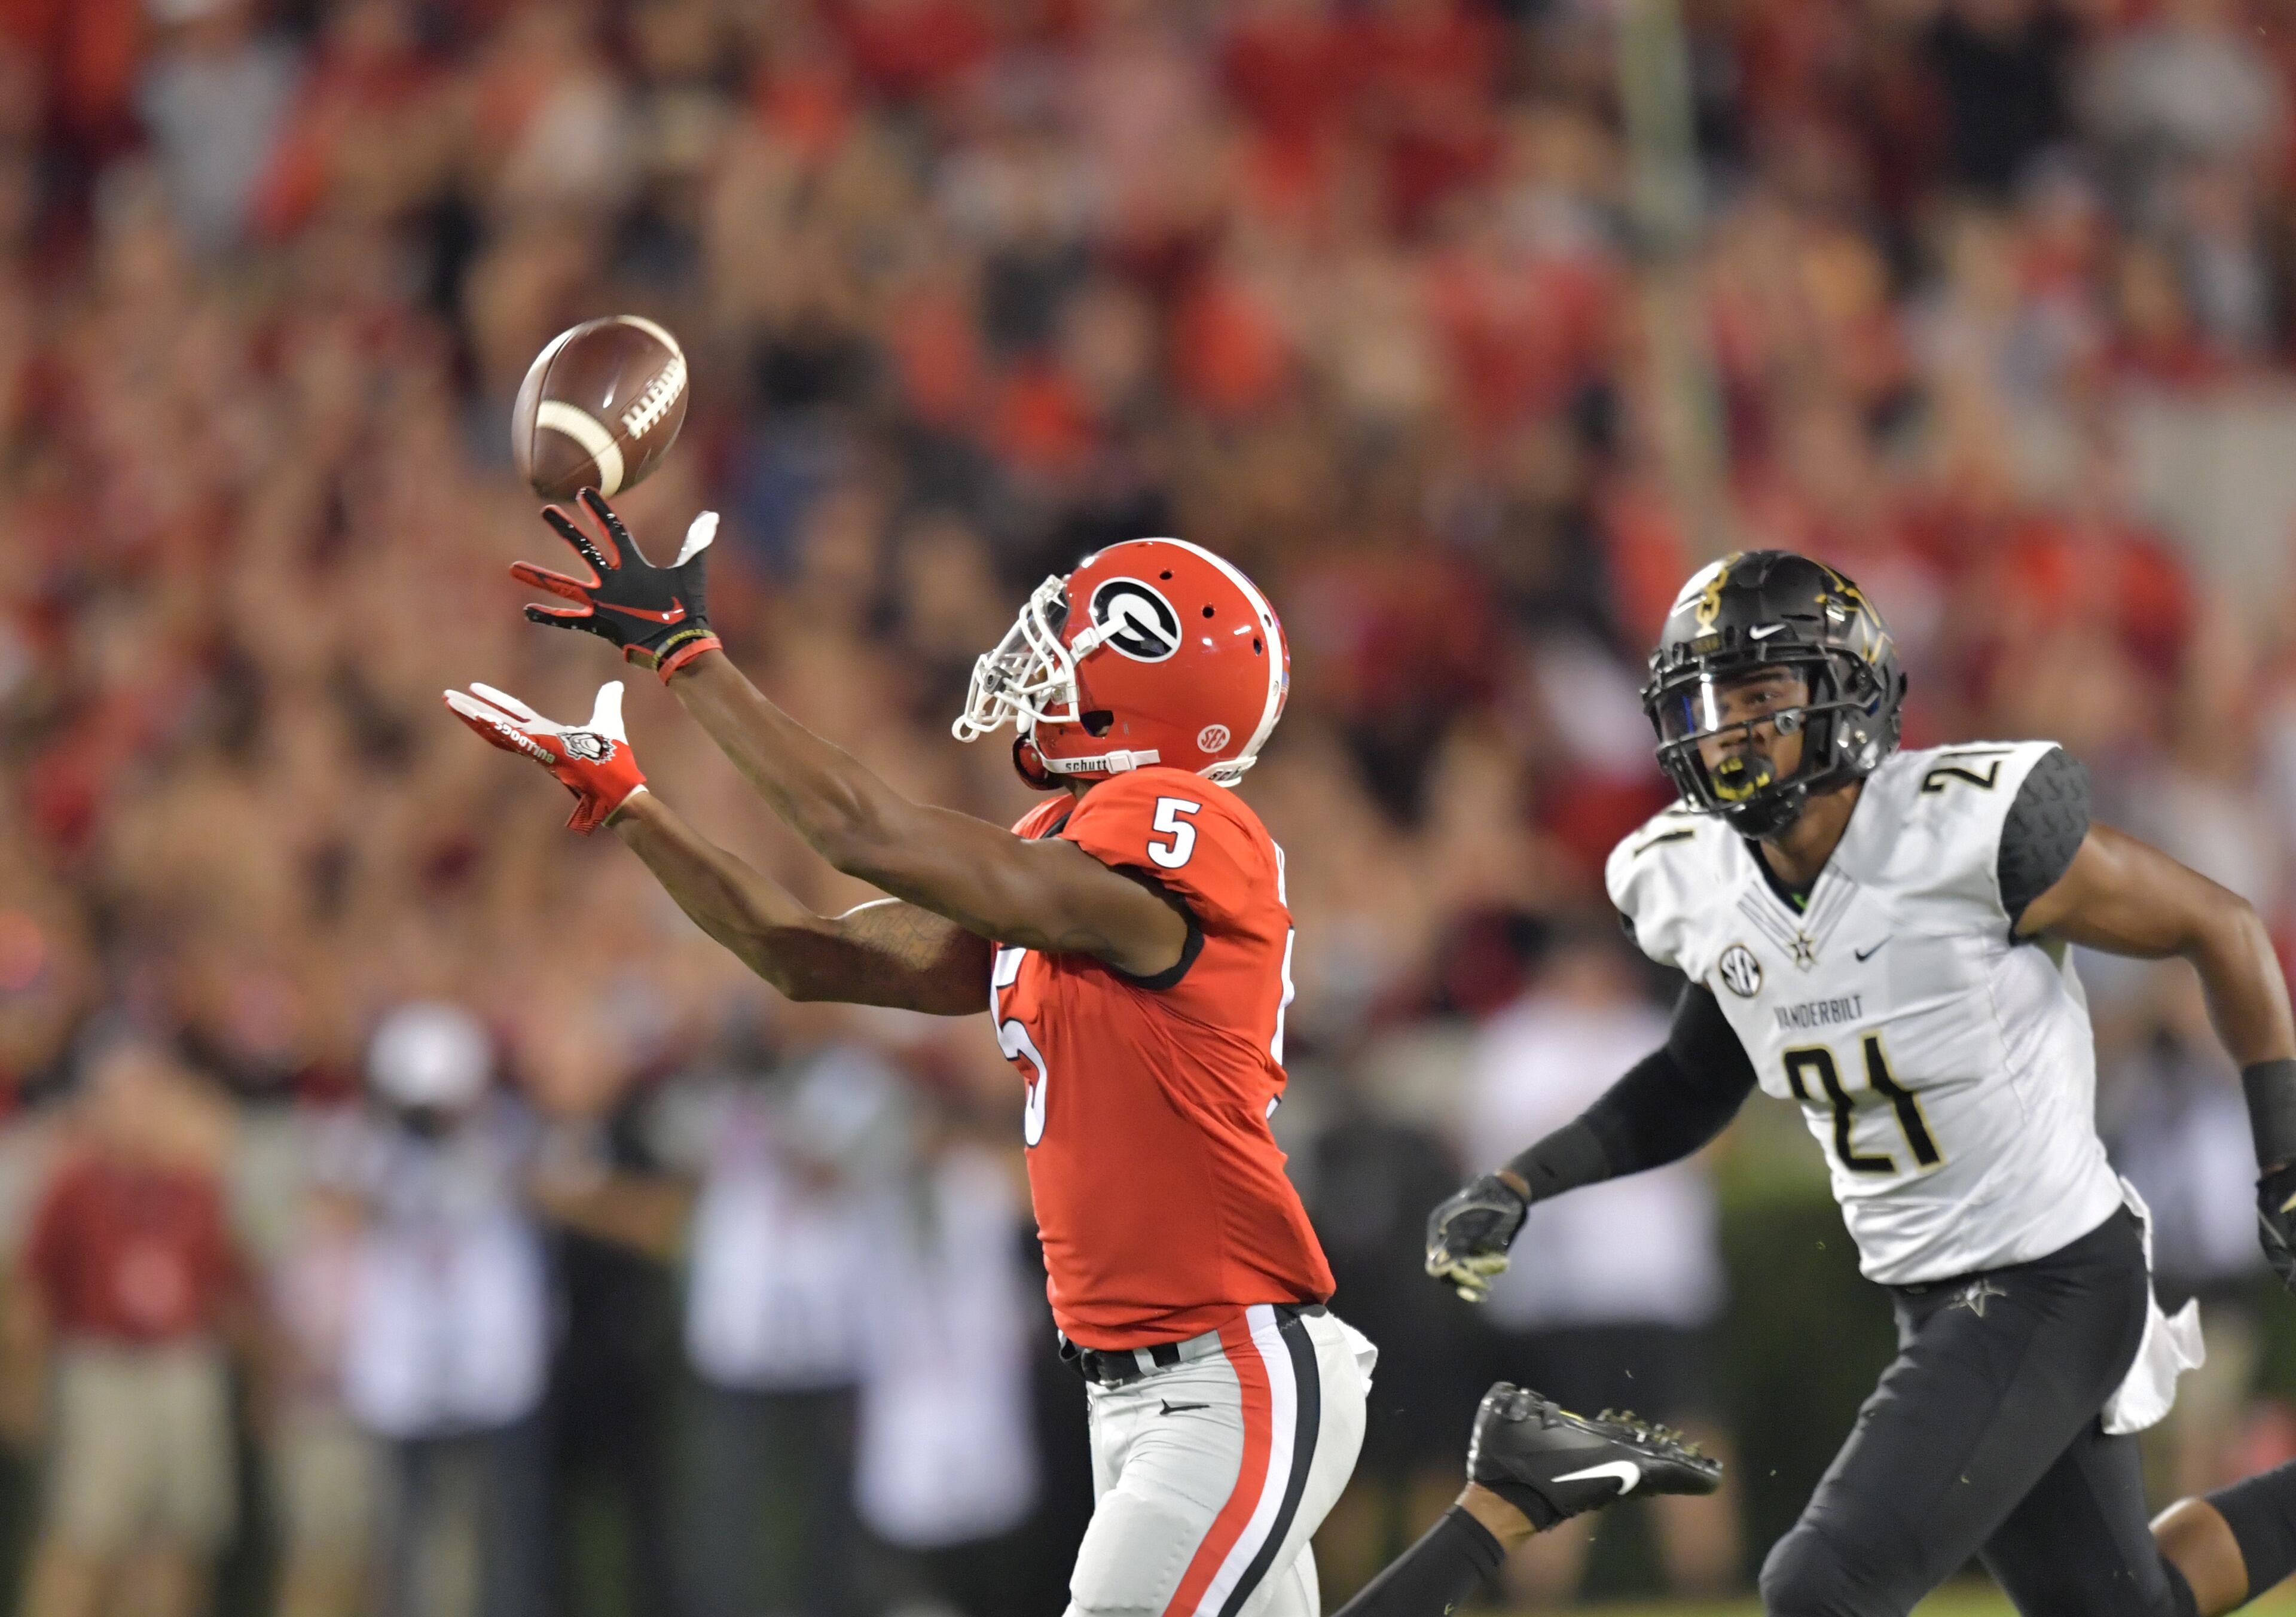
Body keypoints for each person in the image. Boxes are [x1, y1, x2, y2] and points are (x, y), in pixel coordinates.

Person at [443, 490, 1715, 1617]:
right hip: (1134, 1385)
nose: (1037, 667)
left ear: (1151, 682)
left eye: (1073, 644)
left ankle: (1509, 1496)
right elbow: (805, 952)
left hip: (1234, 1372)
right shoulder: (1064, 860)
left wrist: (690, 657)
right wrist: (634, 806)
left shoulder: (1187, 834)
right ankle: (1508, 1498)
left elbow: (860, 831)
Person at [1397, 549, 2296, 1616]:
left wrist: (2282, 1159)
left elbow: (2222, 927)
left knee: (1822, 1585)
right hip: (1938, 1295)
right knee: (2128, 1606)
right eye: (1708, 698)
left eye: (1761, 692)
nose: (1728, 725)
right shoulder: (1698, 878)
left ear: (1844, 693)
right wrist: (1522, 1182)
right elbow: (1694, 1078)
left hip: (2049, 1277)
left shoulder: (1964, 832)